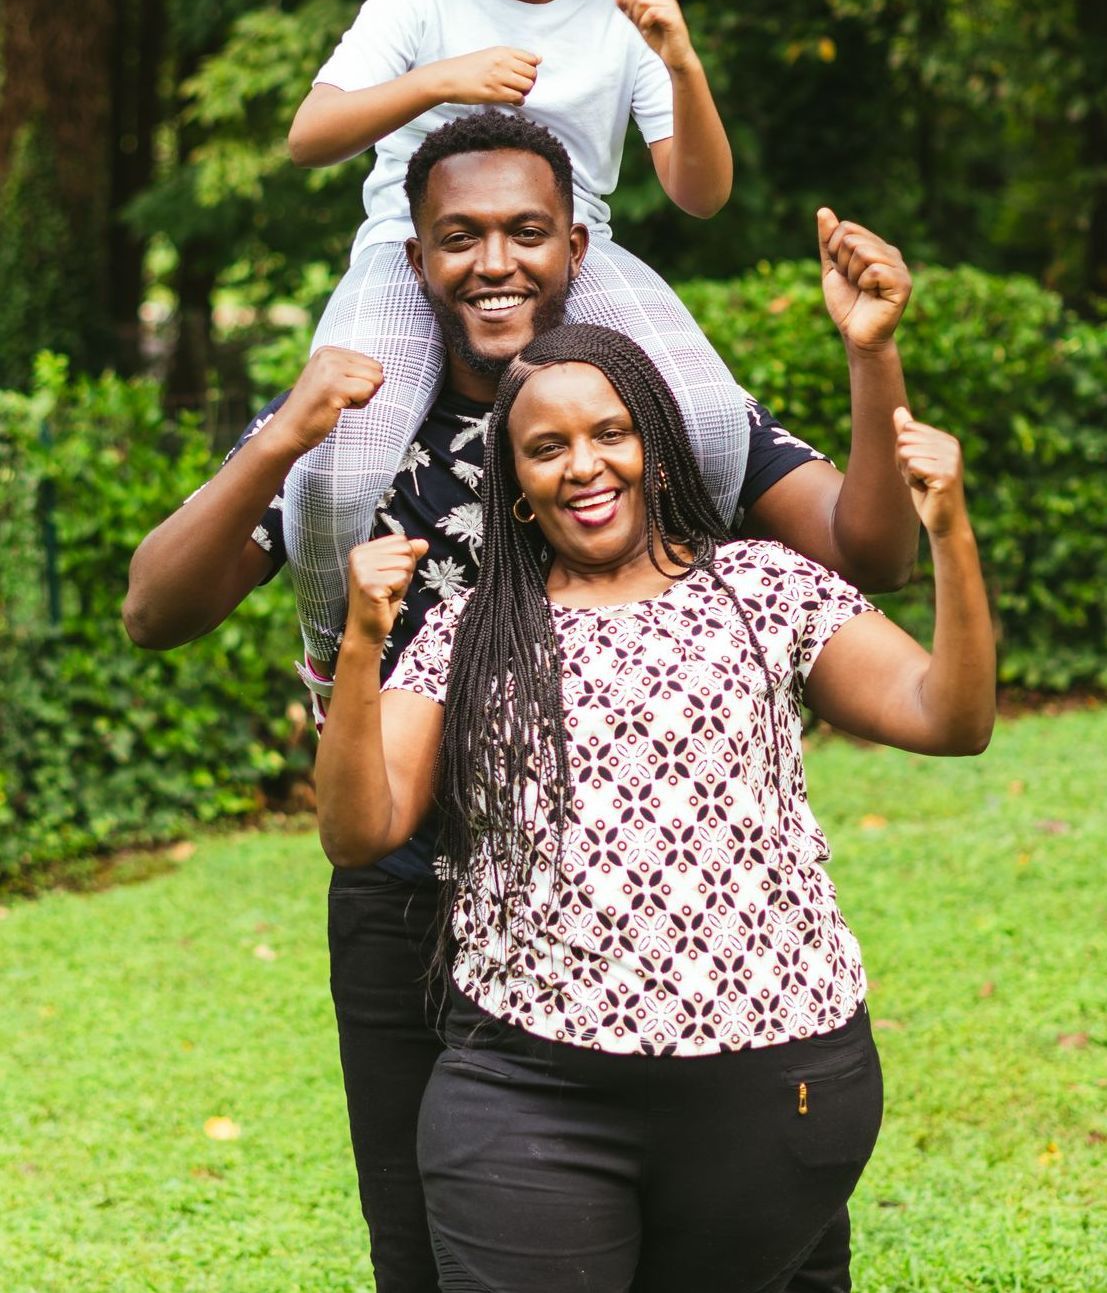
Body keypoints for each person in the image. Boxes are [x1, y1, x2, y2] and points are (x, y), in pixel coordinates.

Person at [124, 110, 920, 1293]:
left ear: (576, 249)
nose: (494, 263)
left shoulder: (646, 414)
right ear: (415, 259)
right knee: (432, 1259)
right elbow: (155, 610)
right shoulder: (357, 436)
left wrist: (871, 358)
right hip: (408, 903)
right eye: (460, 236)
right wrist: (279, 439)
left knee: (773, 1257)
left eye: (526, 233)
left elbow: (870, 556)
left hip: (625, 922)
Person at [318, 322, 995, 1293]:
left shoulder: (764, 587)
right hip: (530, 1091)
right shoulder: (469, 630)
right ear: (515, 481)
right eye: (547, 447)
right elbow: (360, 828)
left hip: (771, 1081)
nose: (584, 465)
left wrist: (951, 536)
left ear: (658, 447)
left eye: (610, 433)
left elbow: (950, 715)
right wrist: (359, 648)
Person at [284, 0, 746, 678]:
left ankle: (683, 629)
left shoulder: (623, 6)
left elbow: (700, 192)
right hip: (409, 257)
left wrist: (683, 66)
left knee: (714, 425)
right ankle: (332, 660)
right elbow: (309, 136)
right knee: (336, 470)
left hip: (577, 258)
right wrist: (436, 82)